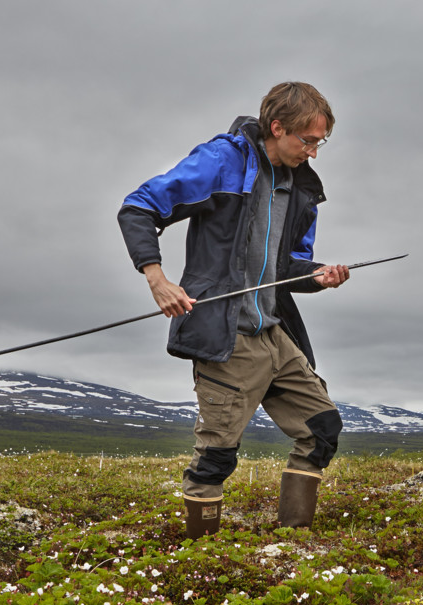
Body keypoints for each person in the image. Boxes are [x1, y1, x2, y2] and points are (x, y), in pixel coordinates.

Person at [118, 81, 349, 539]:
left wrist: (318, 275)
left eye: (320, 143)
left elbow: (287, 266)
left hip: (273, 331)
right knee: (217, 456)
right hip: (226, 336)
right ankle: (202, 559)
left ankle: (292, 541)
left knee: (322, 429)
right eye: (307, 141)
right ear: (277, 127)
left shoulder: (303, 187)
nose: (314, 153)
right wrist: (158, 279)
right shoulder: (222, 160)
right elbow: (139, 207)